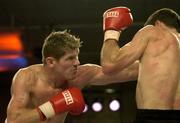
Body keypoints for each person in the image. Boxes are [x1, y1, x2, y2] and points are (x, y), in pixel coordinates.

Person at [6, 30, 138, 123]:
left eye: (76, 57)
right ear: (51, 62)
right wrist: (53, 107)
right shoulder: (27, 77)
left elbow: (126, 72)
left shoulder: (80, 75)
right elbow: (14, 119)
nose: (77, 63)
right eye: (70, 58)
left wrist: (155, 61)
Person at [101, 7, 180, 122]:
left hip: (152, 116)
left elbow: (109, 64)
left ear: (157, 23)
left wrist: (111, 31)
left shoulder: (151, 31)